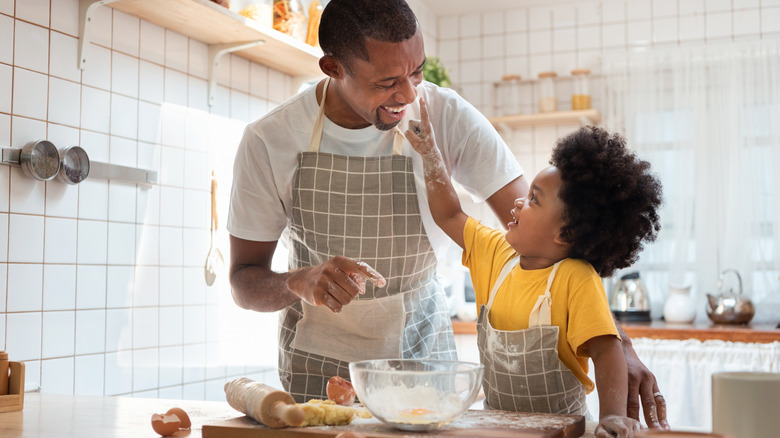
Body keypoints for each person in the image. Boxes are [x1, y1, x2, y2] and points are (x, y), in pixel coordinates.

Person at [226, 0, 669, 429]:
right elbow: (244, 282)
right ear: (333, 68)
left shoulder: (447, 116)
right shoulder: (270, 140)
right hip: (315, 378)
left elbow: (559, 235)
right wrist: (296, 282)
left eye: (416, 72)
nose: (408, 94)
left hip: (424, 374)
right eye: (387, 82)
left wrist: (616, 345)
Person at [405, 107, 662, 436]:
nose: (517, 203)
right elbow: (450, 215)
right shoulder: (497, 253)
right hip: (498, 429)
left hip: (561, 432)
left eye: (532, 200)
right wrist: (430, 155)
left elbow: (606, 348)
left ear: (565, 234)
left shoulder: (576, 278)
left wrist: (612, 417)